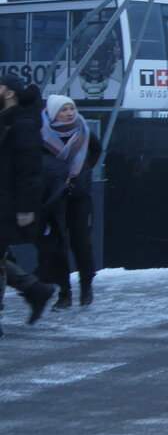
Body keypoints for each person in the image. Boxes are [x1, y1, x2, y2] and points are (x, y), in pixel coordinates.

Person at [0, 74, 56, 337]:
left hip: (7, 203)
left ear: (8, 92)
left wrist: (25, 209)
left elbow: (29, 172)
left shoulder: (22, 125)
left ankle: (35, 290)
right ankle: (35, 290)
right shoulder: (6, 120)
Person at [35, 95, 101, 309]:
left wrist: (84, 172)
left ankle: (86, 287)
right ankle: (65, 293)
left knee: (82, 243)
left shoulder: (83, 131)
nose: (69, 113)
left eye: (71, 108)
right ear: (53, 113)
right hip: (54, 198)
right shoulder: (41, 135)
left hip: (79, 196)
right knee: (57, 245)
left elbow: (96, 150)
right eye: (63, 110)